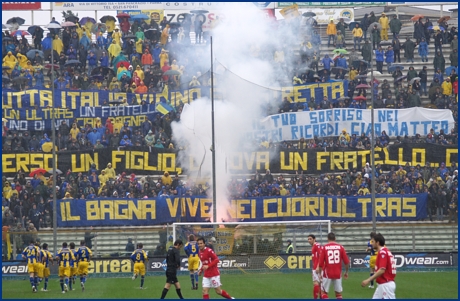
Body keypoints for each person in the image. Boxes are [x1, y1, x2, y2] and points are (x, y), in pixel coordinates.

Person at [361, 233, 396, 299]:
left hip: (386, 284)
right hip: (382, 284)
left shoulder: (382, 252)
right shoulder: (386, 251)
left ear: (378, 243)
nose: (371, 243)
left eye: (373, 242)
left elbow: (382, 270)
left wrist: (368, 280)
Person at [316, 232, 349, 299]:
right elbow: (346, 262)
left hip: (327, 273)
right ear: (335, 238)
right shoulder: (341, 247)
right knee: (338, 293)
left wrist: (319, 274)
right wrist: (346, 272)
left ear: (327, 239)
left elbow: (321, 263)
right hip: (338, 273)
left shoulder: (324, 247)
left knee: (324, 292)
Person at [308, 234, 323, 299]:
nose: (309, 240)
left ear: (314, 239)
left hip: (318, 268)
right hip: (317, 267)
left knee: (316, 283)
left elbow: (321, 256)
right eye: (308, 239)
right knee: (320, 285)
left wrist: (317, 267)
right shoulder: (314, 246)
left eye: (310, 239)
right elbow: (315, 259)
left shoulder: (317, 245)